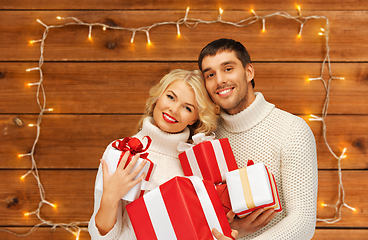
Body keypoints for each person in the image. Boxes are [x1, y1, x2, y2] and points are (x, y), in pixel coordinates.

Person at [88, 69, 232, 239]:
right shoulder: (121, 151)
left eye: (187, 107)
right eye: (170, 97)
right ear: (158, 97)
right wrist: (109, 198)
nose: (174, 109)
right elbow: (100, 237)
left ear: (194, 118)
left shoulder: (196, 164)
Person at [198, 38, 318, 239]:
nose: (219, 80)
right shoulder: (207, 135)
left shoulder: (292, 130)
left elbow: (303, 221)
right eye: (210, 74)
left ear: (249, 72)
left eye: (228, 69)